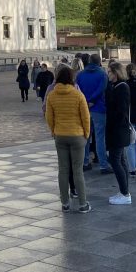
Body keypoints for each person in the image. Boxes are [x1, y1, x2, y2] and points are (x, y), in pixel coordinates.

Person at [45, 64, 91, 213]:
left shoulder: (52, 95)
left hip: (60, 135)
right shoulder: (78, 95)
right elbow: (85, 116)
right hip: (77, 135)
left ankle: (65, 202)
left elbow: (49, 117)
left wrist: (53, 131)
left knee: (63, 170)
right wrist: (86, 134)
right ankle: (83, 204)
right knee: (77, 171)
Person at [76, 53, 111, 174]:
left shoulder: (80, 74)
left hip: (84, 108)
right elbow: (102, 89)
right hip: (99, 108)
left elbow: (77, 90)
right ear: (99, 61)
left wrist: (86, 101)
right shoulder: (102, 74)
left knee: (86, 136)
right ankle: (103, 164)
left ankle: (85, 162)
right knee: (100, 137)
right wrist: (93, 100)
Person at [104, 62, 132, 205]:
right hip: (117, 129)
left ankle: (125, 193)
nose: (108, 74)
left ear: (116, 73)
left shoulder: (121, 88)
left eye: (109, 72)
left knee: (116, 160)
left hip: (118, 129)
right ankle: (124, 190)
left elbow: (119, 110)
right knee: (120, 160)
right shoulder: (116, 87)